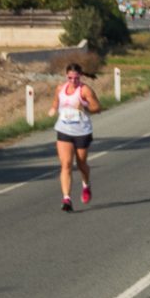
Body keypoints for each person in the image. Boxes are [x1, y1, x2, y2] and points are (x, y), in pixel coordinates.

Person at [48, 63, 102, 212]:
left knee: (81, 164)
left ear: (80, 77)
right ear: (66, 77)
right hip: (64, 130)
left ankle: (86, 185)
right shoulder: (60, 88)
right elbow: (56, 101)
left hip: (82, 132)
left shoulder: (85, 90)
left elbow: (98, 108)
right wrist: (53, 109)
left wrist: (85, 108)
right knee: (66, 164)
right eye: (70, 78)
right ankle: (67, 199)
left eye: (76, 78)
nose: (73, 81)